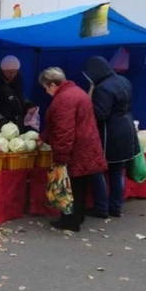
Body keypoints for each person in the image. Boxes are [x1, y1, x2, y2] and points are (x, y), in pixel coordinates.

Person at [38, 67, 107, 232]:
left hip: (76, 148)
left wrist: (61, 157)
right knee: (80, 184)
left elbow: (64, 130)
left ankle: (69, 221)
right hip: (87, 145)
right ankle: (79, 216)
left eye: (46, 87)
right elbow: (59, 125)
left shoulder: (64, 99)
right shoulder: (77, 92)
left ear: (52, 84)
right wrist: (43, 136)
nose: (46, 91)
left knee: (70, 186)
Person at [83, 56, 140, 218]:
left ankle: (101, 207)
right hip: (126, 129)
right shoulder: (123, 81)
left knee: (97, 169)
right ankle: (116, 207)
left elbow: (99, 115)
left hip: (111, 134)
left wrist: (89, 98)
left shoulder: (103, 88)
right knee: (116, 171)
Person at [0, 55, 35, 134]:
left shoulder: (18, 80)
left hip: (16, 122)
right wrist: (0, 121)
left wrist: (27, 104)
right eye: (10, 72)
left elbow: (20, 96)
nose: (12, 75)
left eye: (15, 72)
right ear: (2, 70)